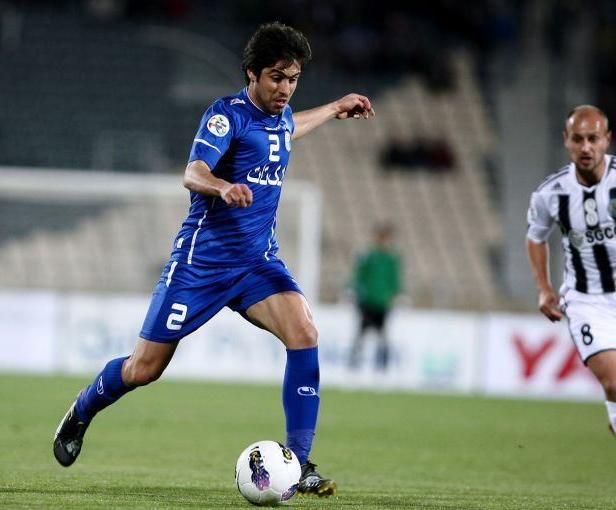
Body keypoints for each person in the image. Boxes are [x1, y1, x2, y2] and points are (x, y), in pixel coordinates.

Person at [53, 21, 375, 496]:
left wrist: (333, 108)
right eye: (276, 78)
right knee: (144, 369)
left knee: (305, 332)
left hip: (257, 265)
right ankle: (81, 411)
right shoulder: (227, 116)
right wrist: (223, 186)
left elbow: (290, 129)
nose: (285, 89)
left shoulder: (281, 116)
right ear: (252, 74)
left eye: (292, 79)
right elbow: (193, 171)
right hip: (200, 266)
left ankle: (299, 463)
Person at [526, 105, 616, 436]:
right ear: (566, 140)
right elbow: (536, 237)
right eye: (578, 139)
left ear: (607, 139)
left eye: (593, 138)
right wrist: (544, 287)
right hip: (586, 301)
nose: (586, 147)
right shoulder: (550, 193)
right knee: (614, 383)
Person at [348, 223, 401, 370]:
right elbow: (359, 276)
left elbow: (395, 280)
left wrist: (394, 296)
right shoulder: (369, 256)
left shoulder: (392, 259)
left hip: (382, 303)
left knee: (382, 335)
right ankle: (354, 362)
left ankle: (382, 366)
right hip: (367, 301)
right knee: (361, 333)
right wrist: (357, 292)